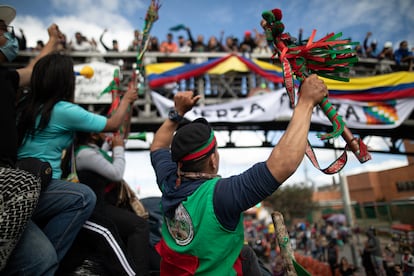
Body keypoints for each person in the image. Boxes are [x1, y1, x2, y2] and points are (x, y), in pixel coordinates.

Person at [150, 73, 329, 275]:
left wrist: (177, 112)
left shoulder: (168, 179)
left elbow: (157, 145)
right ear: (213, 160)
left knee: (246, 254)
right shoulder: (220, 196)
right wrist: (306, 103)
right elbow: (282, 165)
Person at [10, 53, 137, 274]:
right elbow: (113, 123)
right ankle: (50, 264)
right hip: (42, 187)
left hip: (19, 183)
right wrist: (126, 99)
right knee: (84, 197)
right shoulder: (63, 110)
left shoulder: (24, 105)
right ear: (65, 81)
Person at [0, 4, 64, 274]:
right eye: (4, 30)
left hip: (8, 185)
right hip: (8, 185)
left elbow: (32, 70)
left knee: (41, 259)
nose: (9, 37)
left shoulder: (6, 78)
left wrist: (51, 41)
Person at [58, 131, 158, 275]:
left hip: (99, 205)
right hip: (95, 210)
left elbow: (99, 157)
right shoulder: (85, 154)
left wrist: (109, 144)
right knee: (139, 226)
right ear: (92, 135)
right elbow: (116, 173)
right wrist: (118, 149)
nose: (107, 131)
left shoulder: (86, 151)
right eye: (102, 128)